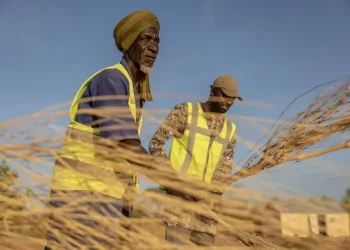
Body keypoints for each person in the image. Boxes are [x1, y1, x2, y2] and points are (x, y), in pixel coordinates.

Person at [44, 10, 160, 249]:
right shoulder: (111, 81)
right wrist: (176, 184)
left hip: (108, 196)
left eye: (157, 41)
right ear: (129, 42)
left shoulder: (132, 90)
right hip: (83, 197)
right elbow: (125, 145)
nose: (154, 47)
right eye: (146, 39)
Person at [149, 74, 242, 246]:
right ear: (212, 91)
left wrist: (216, 195)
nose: (228, 102)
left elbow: (224, 167)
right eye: (225, 95)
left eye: (232, 98)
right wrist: (174, 184)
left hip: (207, 208)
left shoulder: (231, 129)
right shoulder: (185, 111)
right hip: (180, 201)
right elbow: (156, 144)